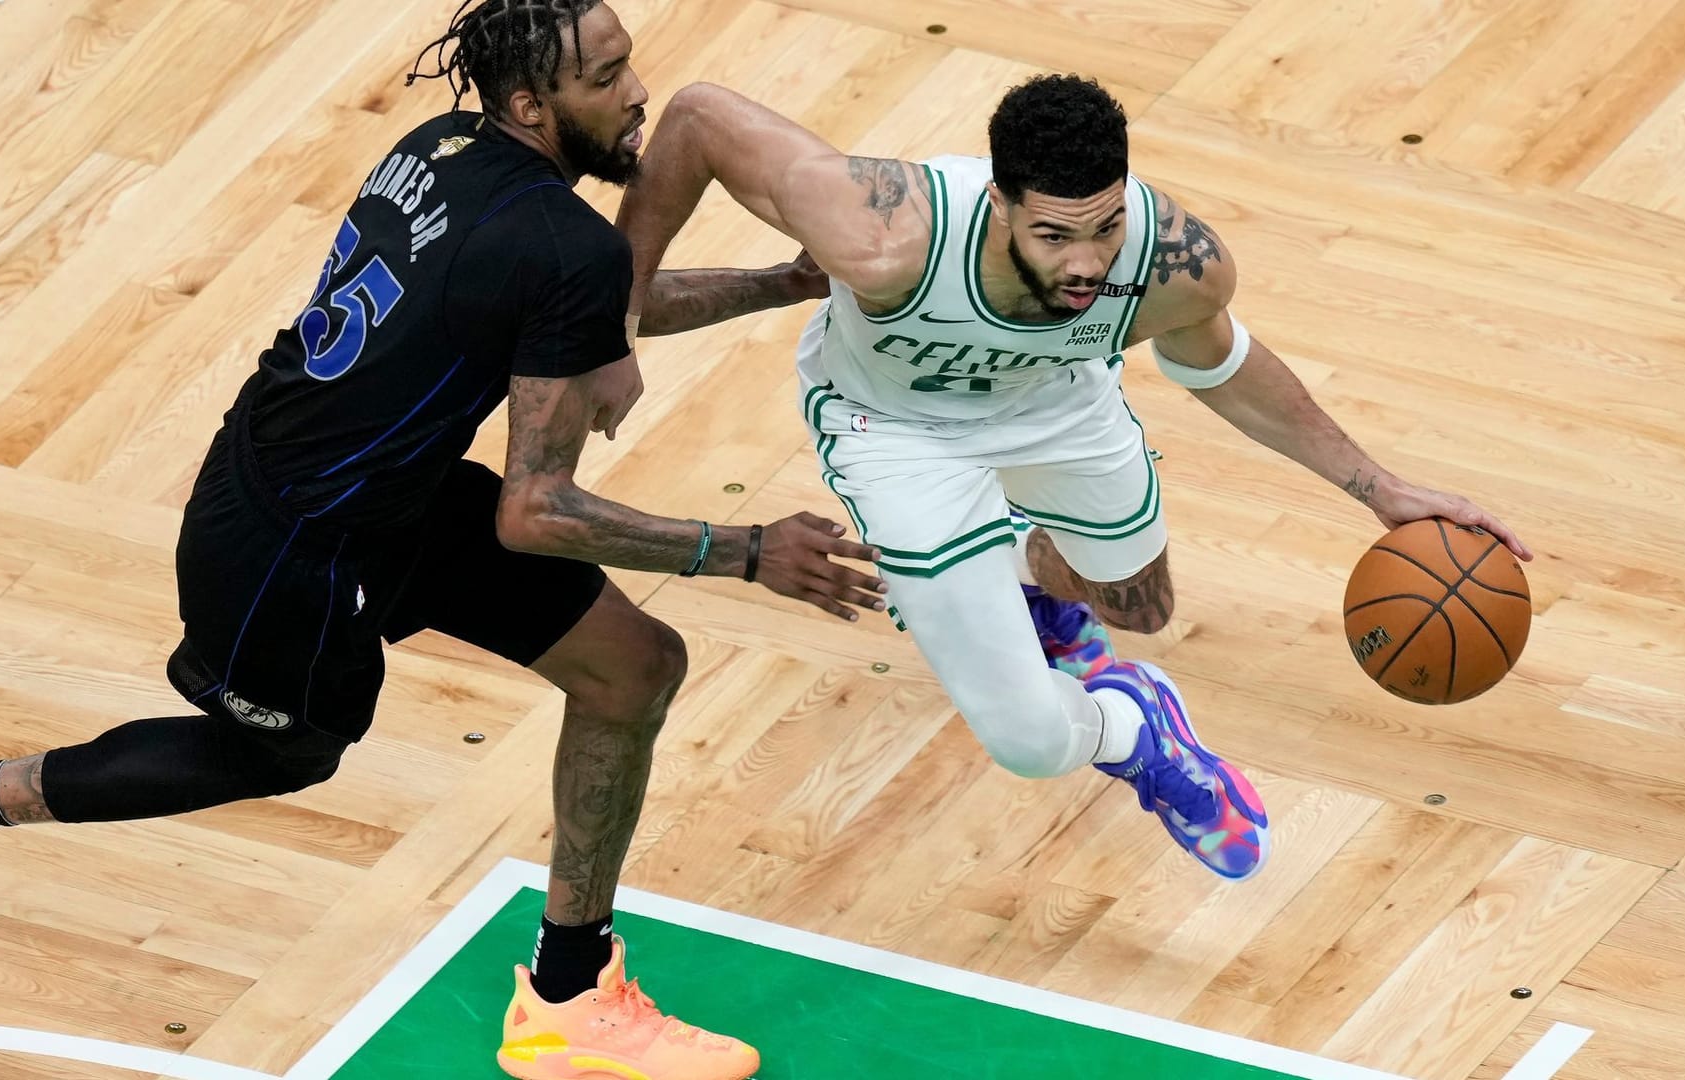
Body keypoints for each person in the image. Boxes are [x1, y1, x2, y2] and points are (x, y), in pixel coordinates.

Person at [0, 4, 883, 1078]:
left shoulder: (439, 148)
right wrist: (744, 549)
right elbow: (537, 511)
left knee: (631, 667)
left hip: (388, 488)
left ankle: (568, 998)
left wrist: (784, 282)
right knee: (279, 751)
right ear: (530, 104)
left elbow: (584, 305)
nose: (638, 94)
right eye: (607, 77)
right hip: (291, 538)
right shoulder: (554, 240)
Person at [617, 74, 1533, 883]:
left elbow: (1225, 370)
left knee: (1137, 607)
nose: (1088, 262)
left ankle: (1013, 574)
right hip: (896, 431)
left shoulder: (1172, 263)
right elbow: (696, 118)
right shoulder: (883, 233)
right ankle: (1134, 733)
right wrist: (610, 321)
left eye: (1105, 225)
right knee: (1029, 741)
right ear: (1000, 204)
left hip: (1053, 401)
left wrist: (1379, 490)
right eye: (1055, 235)